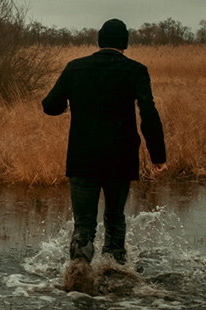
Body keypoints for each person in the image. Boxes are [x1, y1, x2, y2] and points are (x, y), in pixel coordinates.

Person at [42, 18, 166, 270]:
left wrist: (68, 104)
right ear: (124, 43)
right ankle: (116, 269)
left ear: (99, 40)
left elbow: (50, 105)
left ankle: (78, 266)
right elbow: (149, 114)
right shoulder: (136, 70)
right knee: (115, 218)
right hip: (120, 157)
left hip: (82, 156)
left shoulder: (75, 68)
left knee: (84, 223)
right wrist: (158, 156)